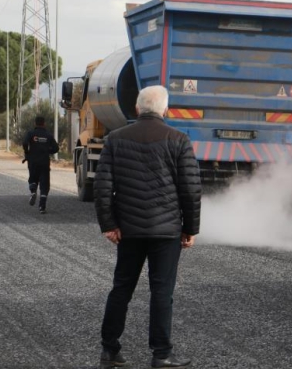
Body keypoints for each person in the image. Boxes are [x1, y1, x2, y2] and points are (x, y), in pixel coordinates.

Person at [95, 85, 201, 369]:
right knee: (162, 292)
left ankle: (109, 350)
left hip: (128, 230)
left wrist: (109, 224)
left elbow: (103, 187)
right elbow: (191, 190)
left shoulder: (115, 139)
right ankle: (161, 354)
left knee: (121, 289)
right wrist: (190, 228)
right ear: (165, 110)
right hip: (166, 232)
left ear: (137, 109)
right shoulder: (179, 140)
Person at [22, 116, 58, 214]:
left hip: (33, 162)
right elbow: (56, 148)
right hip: (44, 163)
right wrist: (47, 151)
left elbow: (25, 142)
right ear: (44, 123)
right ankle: (42, 207)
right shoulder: (48, 135)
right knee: (44, 184)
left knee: (33, 179)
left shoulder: (31, 134)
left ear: (35, 123)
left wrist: (27, 152)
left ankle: (33, 191)